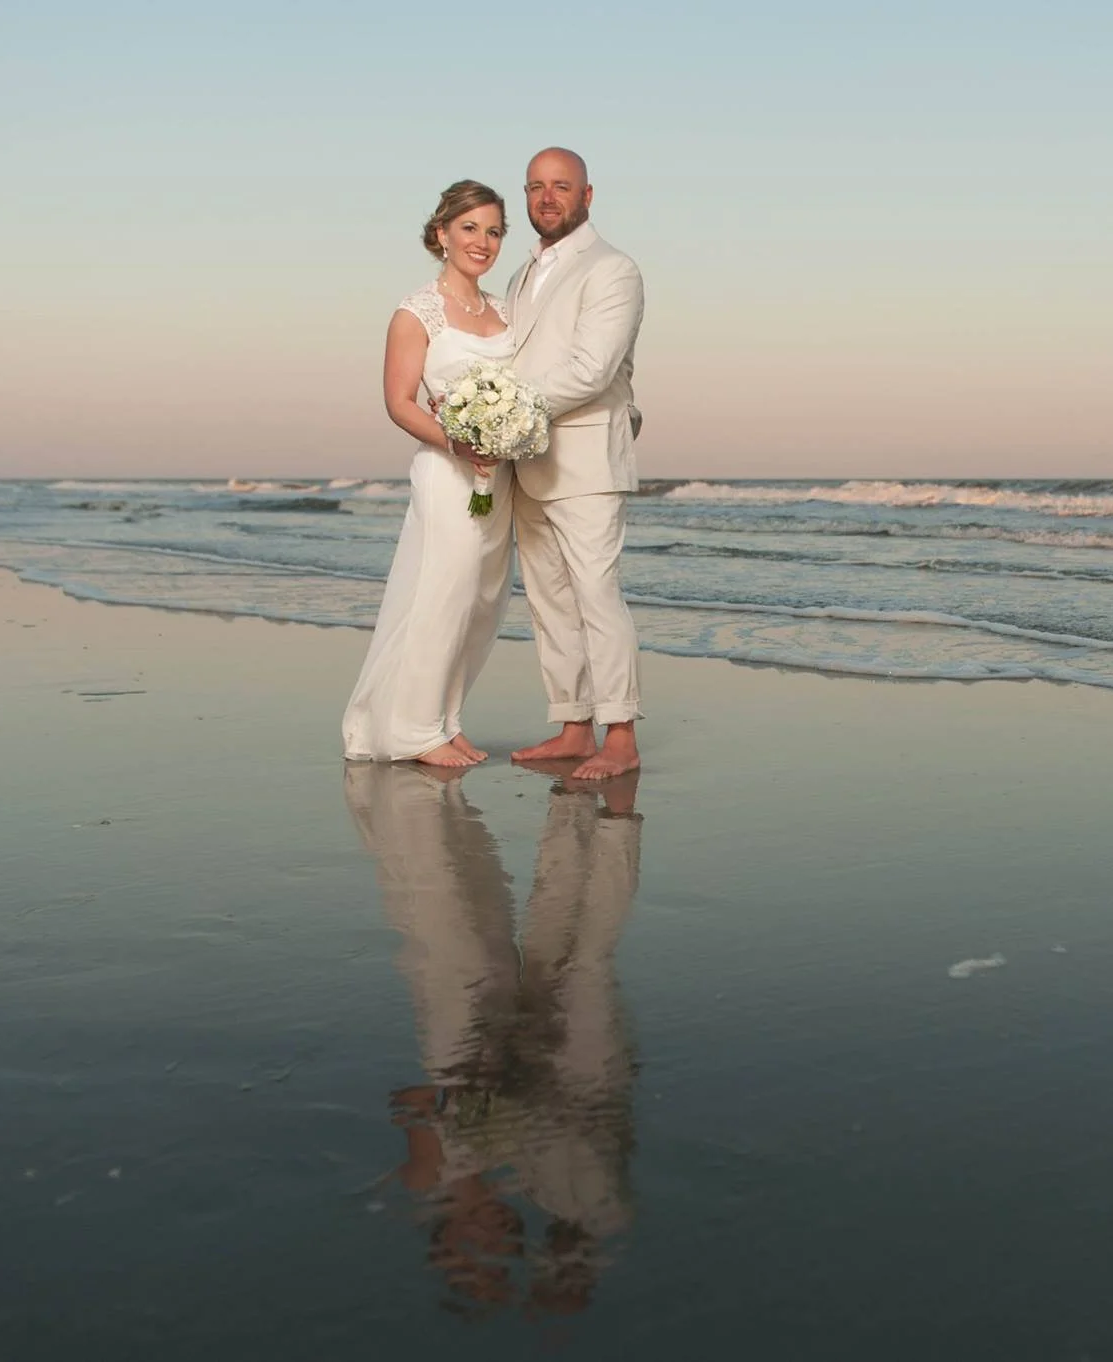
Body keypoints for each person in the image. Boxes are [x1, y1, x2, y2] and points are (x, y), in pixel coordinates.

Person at [344, 761, 642, 1318]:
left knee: (521, 953)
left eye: (476, 1252)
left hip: (491, 1054)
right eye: (504, 1254)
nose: (498, 1242)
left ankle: (572, 805)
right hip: (574, 1080)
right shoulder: (545, 1189)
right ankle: (613, 816)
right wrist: (564, 1284)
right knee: (581, 965)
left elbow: (409, 1099)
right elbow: (591, 1222)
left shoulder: (430, 1182)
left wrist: (448, 1132)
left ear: (445, 1241)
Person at [342, 182, 519, 767]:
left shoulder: (505, 311)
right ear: (441, 234)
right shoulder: (414, 312)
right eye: (470, 228)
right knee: (442, 595)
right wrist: (460, 442)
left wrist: (508, 431)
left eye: (494, 231)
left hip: (499, 479)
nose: (483, 242)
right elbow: (400, 402)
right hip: (448, 475)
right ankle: (413, 731)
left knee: (481, 600)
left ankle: (445, 721)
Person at [502, 147, 648, 781]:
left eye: (562, 186)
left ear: (588, 196)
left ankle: (619, 736)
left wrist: (503, 413)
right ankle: (571, 725)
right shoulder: (519, 275)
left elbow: (591, 370)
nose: (547, 198)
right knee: (549, 598)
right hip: (528, 460)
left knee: (595, 594)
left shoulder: (613, 270)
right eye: (536, 187)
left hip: (585, 456)